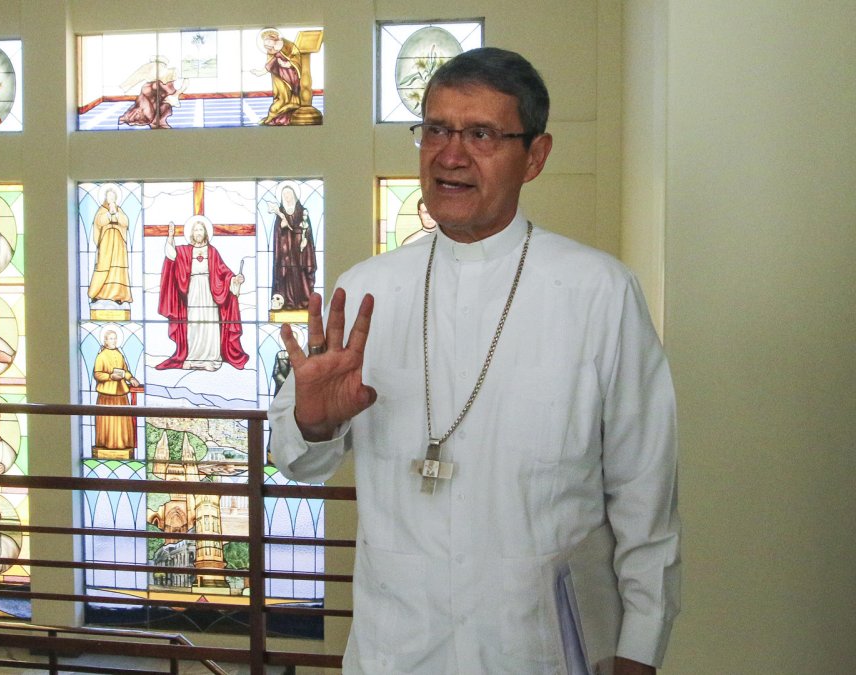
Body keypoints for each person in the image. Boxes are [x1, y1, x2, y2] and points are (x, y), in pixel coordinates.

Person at [269, 48, 680, 674]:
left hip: (538, 649)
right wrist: (313, 422)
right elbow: (296, 463)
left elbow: (645, 491)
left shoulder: (600, 292)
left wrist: (639, 650)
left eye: (481, 134)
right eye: (435, 129)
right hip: (395, 650)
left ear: (535, 157)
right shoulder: (366, 292)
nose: (450, 155)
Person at [156, 215, 248, 371]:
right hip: (193, 290)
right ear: (192, 233)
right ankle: (192, 357)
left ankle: (211, 359)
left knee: (210, 323)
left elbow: (223, 273)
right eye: (196, 230)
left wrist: (235, 280)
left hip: (209, 290)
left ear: (205, 233)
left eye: (201, 229)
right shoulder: (185, 251)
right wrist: (170, 237)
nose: (198, 232)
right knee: (194, 323)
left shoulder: (212, 251)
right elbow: (171, 255)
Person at [268, 185, 317, 310]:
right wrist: (282, 227)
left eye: (289, 194)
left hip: (300, 252)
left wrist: (302, 237)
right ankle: (287, 302)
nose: (287, 197)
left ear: (294, 195)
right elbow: (277, 235)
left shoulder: (302, 212)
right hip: (286, 253)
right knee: (287, 276)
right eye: (284, 195)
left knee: (301, 275)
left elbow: (307, 231)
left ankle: (304, 302)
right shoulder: (280, 213)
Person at [92, 329, 140, 457]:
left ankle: (122, 445)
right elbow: (97, 374)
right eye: (111, 338)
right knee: (108, 420)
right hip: (106, 394)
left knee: (122, 420)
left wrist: (131, 378)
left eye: (115, 338)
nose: (114, 341)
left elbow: (125, 370)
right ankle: (107, 445)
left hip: (121, 393)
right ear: (105, 341)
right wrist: (110, 377)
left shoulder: (119, 354)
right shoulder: (101, 356)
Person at [87, 188, 133, 304]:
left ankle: (118, 295)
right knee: (103, 267)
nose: (111, 199)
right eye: (109, 197)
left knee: (116, 268)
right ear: (105, 198)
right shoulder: (102, 210)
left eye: (113, 197)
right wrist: (109, 214)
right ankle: (97, 293)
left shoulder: (119, 210)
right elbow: (99, 222)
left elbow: (125, 222)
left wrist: (116, 214)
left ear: (116, 199)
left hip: (118, 243)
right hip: (106, 243)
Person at [257, 29, 307, 126]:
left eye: (268, 41)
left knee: (291, 96)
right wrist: (262, 71)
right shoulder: (270, 50)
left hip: (291, 75)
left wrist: (288, 63)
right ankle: (275, 116)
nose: (267, 45)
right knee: (281, 97)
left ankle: (276, 115)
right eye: (265, 43)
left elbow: (296, 55)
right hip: (279, 77)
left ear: (274, 38)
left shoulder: (287, 44)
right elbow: (270, 63)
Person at [118, 63, 184, 130]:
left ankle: (157, 122)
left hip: (155, 93)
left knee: (155, 110)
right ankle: (153, 121)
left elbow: (170, 92)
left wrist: (175, 96)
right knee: (146, 115)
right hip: (150, 92)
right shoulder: (157, 77)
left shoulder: (166, 80)